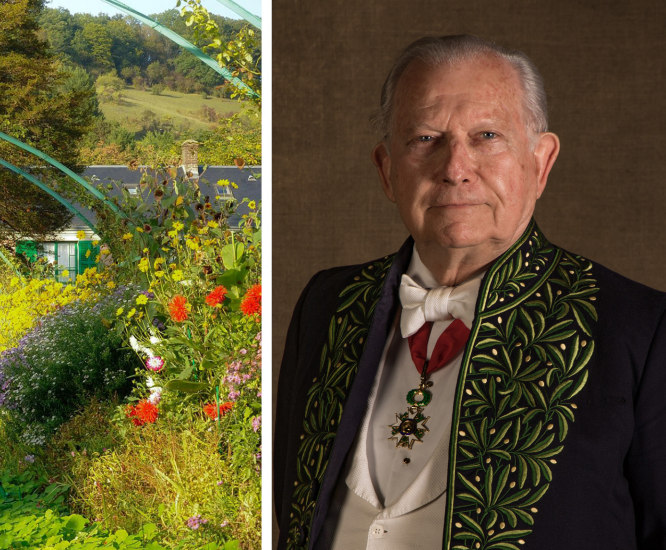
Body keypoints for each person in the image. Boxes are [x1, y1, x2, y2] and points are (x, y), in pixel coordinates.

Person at [274, 35, 666, 550]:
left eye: (486, 136)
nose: (455, 167)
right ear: (387, 170)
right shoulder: (328, 303)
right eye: (425, 139)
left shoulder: (640, 329)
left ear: (541, 162)